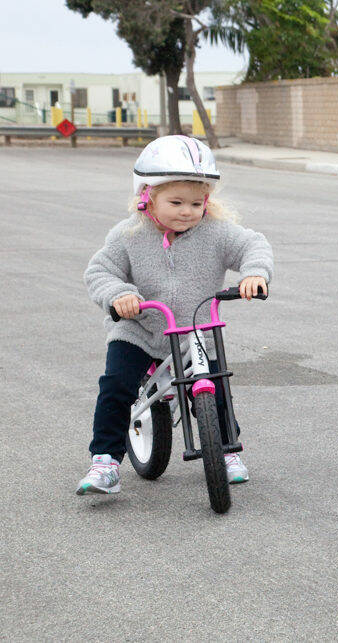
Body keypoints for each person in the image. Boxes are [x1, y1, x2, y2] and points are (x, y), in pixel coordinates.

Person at [79, 135, 273, 495]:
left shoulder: (216, 233)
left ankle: (227, 451)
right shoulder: (127, 236)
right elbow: (99, 271)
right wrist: (120, 294)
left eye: (197, 203)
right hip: (139, 328)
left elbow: (252, 244)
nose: (187, 211)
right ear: (147, 196)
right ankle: (105, 461)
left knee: (215, 389)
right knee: (117, 387)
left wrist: (254, 273)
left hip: (195, 331)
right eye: (176, 202)